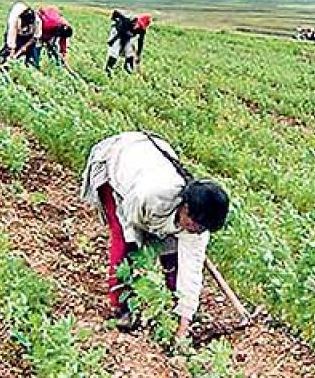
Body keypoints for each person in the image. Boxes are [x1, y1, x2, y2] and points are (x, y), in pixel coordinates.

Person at [81, 131, 229, 337]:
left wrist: (183, 328)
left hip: (152, 156)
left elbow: (191, 271)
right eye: (195, 225)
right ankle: (119, 306)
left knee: (174, 255)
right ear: (185, 208)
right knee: (125, 244)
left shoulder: (198, 225)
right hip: (119, 163)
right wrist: (147, 254)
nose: (197, 231)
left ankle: (175, 310)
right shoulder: (151, 196)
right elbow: (131, 225)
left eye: (202, 228)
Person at [0, 2, 43, 68]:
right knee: (8, 50)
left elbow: (35, 37)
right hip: (16, 33)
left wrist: (24, 47)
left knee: (33, 52)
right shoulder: (13, 20)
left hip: (30, 36)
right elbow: (11, 40)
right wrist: (12, 55)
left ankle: (31, 66)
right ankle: (2, 62)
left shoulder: (37, 21)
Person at [105, 10, 152, 75]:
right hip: (117, 32)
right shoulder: (128, 20)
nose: (138, 26)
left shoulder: (142, 30)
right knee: (115, 51)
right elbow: (115, 12)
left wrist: (138, 55)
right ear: (137, 20)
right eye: (139, 24)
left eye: (141, 26)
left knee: (130, 52)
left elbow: (140, 42)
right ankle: (108, 70)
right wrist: (112, 41)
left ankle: (128, 69)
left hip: (127, 36)